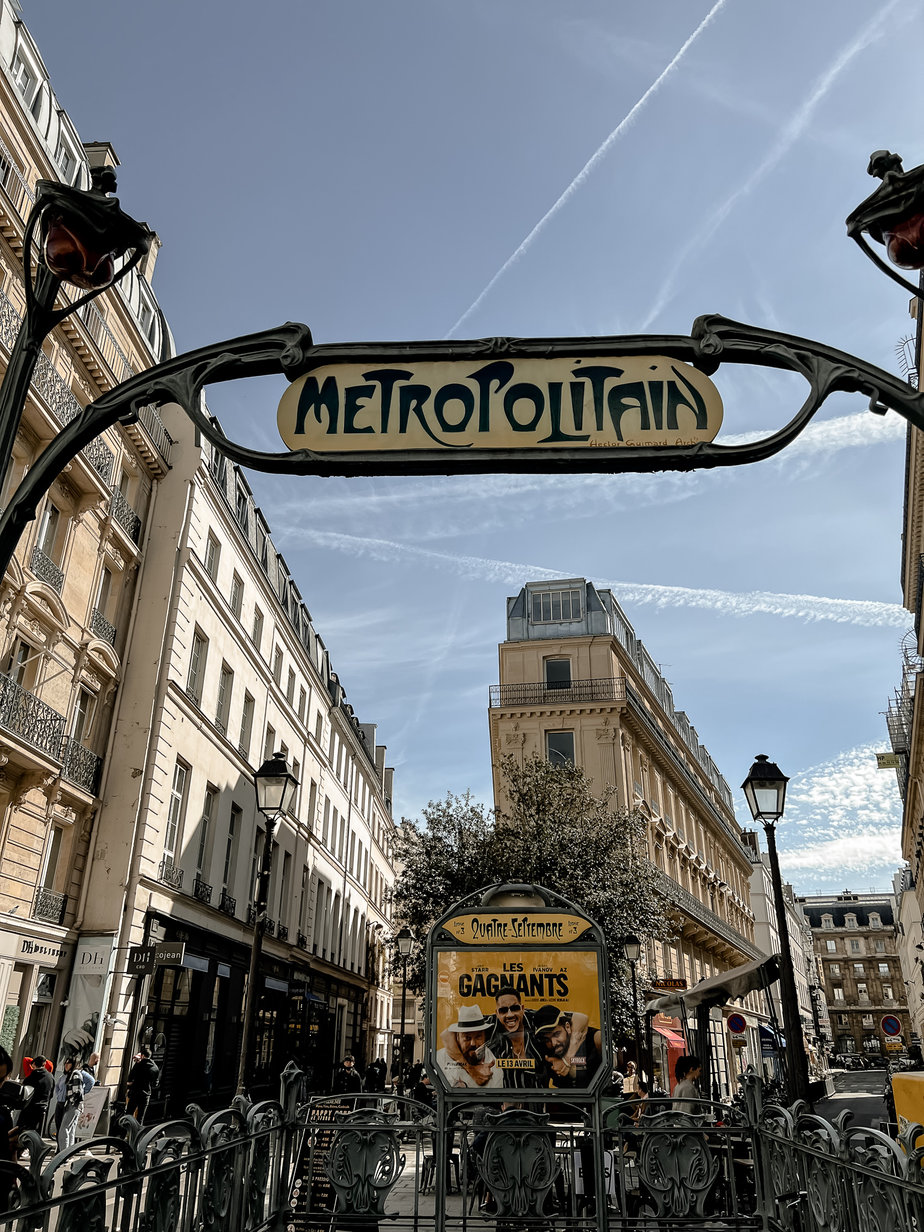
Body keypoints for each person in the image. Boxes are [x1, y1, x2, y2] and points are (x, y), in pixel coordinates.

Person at [488, 986, 546, 1089]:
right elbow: (451, 1033)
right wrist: (473, 1070)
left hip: (537, 1101)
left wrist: (567, 1057)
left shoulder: (536, 1019)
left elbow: (580, 1018)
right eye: (503, 1010)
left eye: (515, 1008)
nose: (510, 1014)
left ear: (522, 1009)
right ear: (496, 1013)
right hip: (504, 1101)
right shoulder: (491, 1025)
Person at [533, 1005, 603, 1088]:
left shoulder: (592, 1039)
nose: (553, 1043)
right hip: (564, 1099)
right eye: (547, 1039)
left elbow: (581, 1017)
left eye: (556, 1034)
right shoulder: (546, 1050)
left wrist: (567, 1060)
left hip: (596, 1098)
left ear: (567, 1027)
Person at [436, 1005, 503, 1088]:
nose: (473, 1043)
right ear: (457, 1037)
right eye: (467, 1038)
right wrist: (472, 1071)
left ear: (485, 1037)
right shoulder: (441, 1057)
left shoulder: (495, 1067)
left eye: (478, 1037)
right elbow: (445, 1034)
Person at [17, 1056, 53, 1141]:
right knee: (36, 1133)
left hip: (30, 1108)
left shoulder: (32, 1076)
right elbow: (51, 1094)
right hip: (42, 1108)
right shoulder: (50, 1077)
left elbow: (25, 1093)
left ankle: (23, 1148)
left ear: (33, 1064)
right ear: (44, 1064)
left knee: (23, 1130)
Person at [126, 1045, 159, 1123]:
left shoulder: (138, 1065)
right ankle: (136, 1134)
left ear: (143, 1055)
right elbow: (155, 1084)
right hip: (146, 1094)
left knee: (129, 1115)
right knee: (140, 1117)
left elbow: (130, 1079)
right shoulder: (155, 1067)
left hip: (135, 1092)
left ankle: (123, 1134)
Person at [57, 1057, 84, 1152]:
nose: (66, 1065)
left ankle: (63, 1153)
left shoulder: (75, 1074)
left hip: (74, 1105)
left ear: (73, 1065)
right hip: (74, 1105)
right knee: (71, 1130)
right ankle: (69, 1153)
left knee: (64, 1129)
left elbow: (77, 1092)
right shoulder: (70, 1075)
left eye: (68, 1063)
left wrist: (70, 1101)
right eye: (65, 1063)